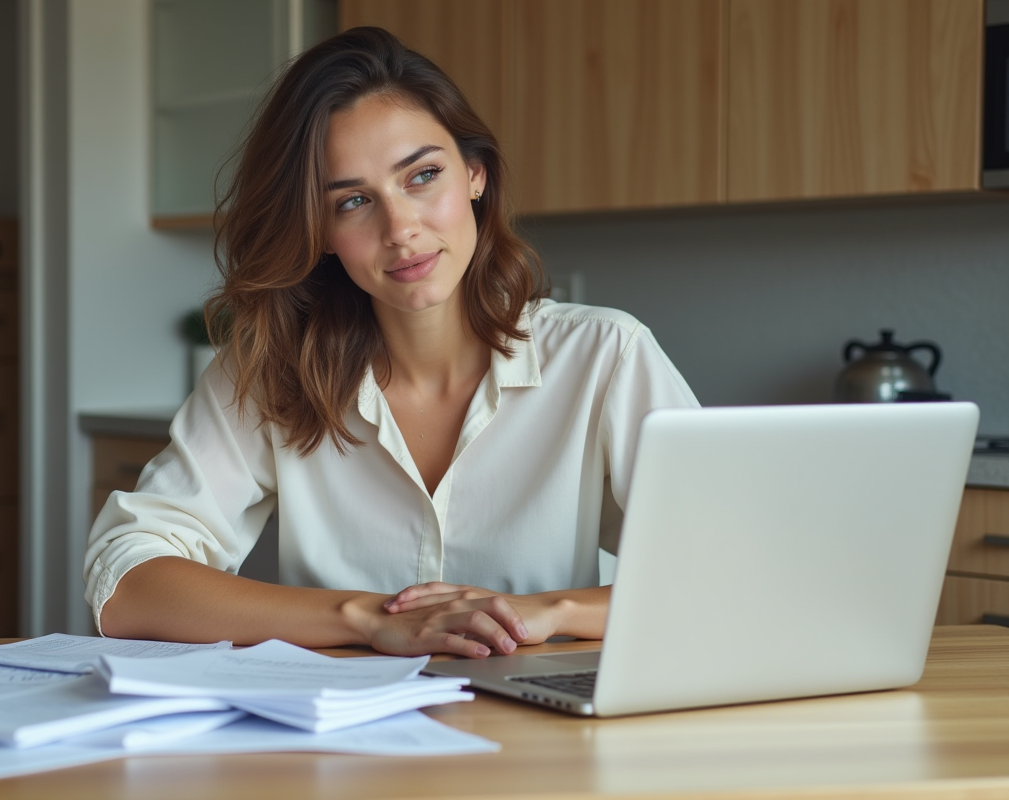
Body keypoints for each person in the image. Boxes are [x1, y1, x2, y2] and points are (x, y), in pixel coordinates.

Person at [84, 27, 698, 659]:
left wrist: (546, 610)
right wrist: (366, 617)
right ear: (319, 228)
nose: (401, 229)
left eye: (423, 175)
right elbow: (125, 580)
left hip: (544, 727)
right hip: (338, 738)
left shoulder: (606, 356)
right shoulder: (273, 367)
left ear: (475, 176)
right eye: (353, 201)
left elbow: (737, 565)